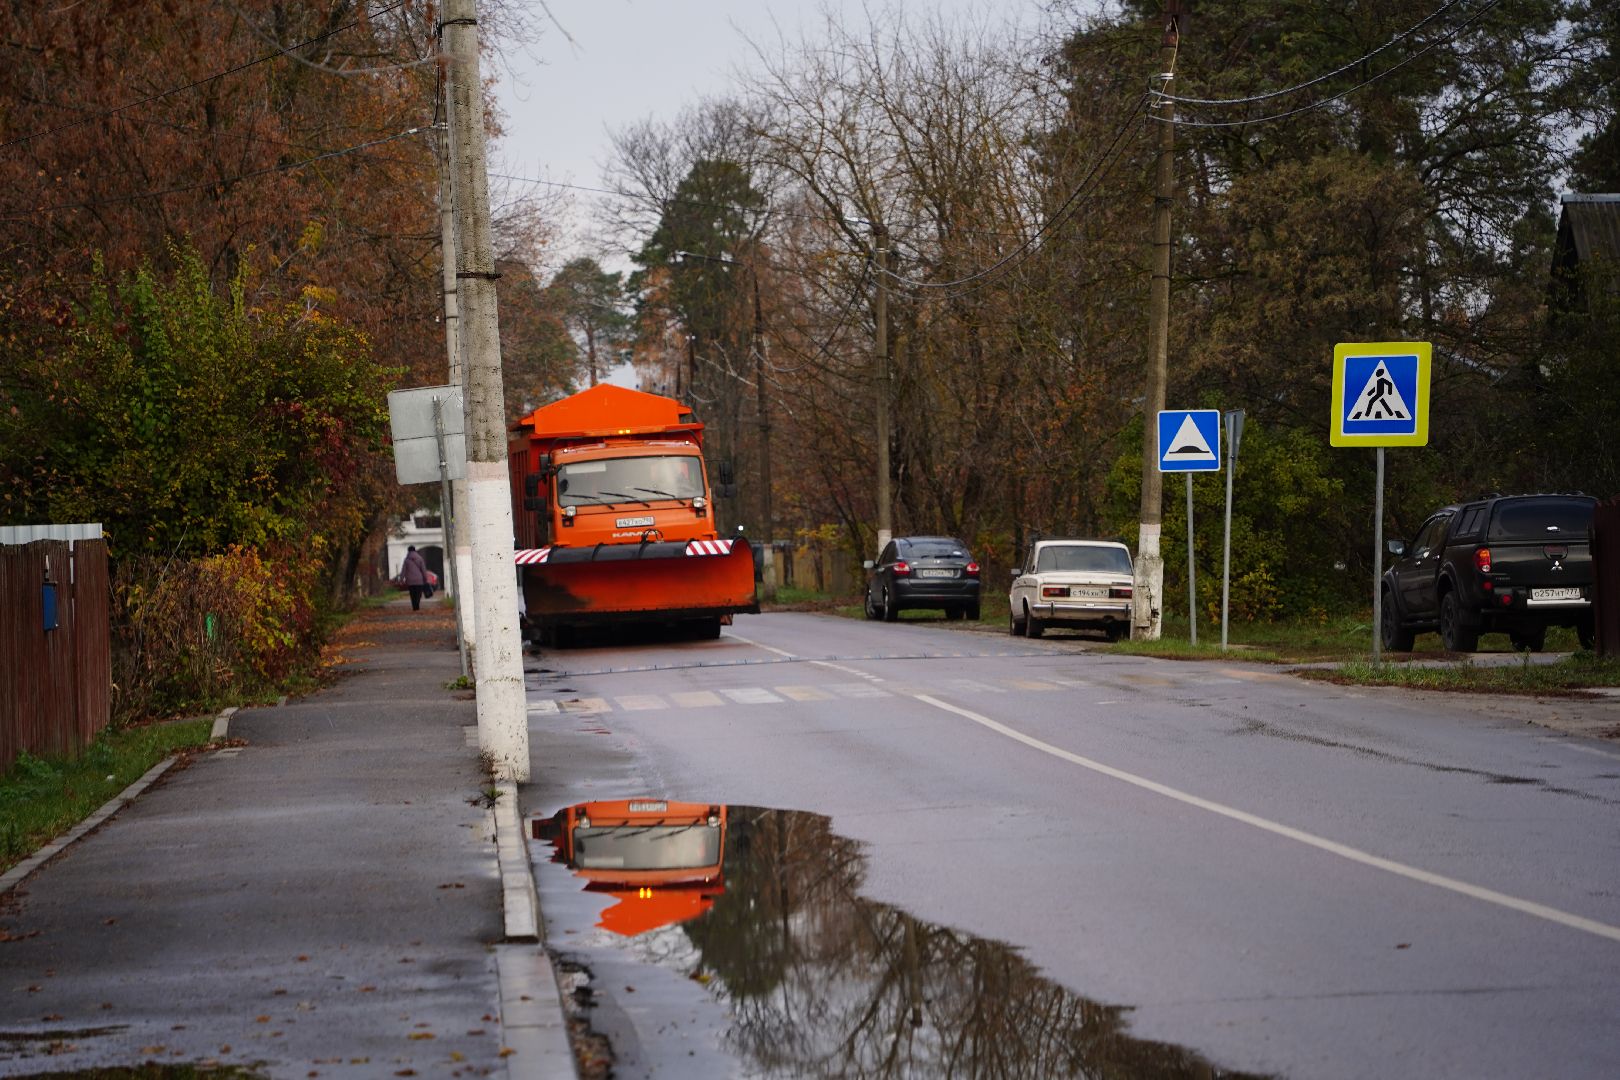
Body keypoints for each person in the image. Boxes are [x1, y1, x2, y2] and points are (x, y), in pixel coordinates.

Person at [401, 545, 430, 611]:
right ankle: (417, 604)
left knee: (412, 594)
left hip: (410, 581)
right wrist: (425, 578)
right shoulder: (420, 558)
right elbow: (423, 570)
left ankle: (414, 606)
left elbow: (403, 570)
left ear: (408, 551)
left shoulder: (406, 560)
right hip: (419, 580)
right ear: (415, 550)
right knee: (418, 594)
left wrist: (401, 579)